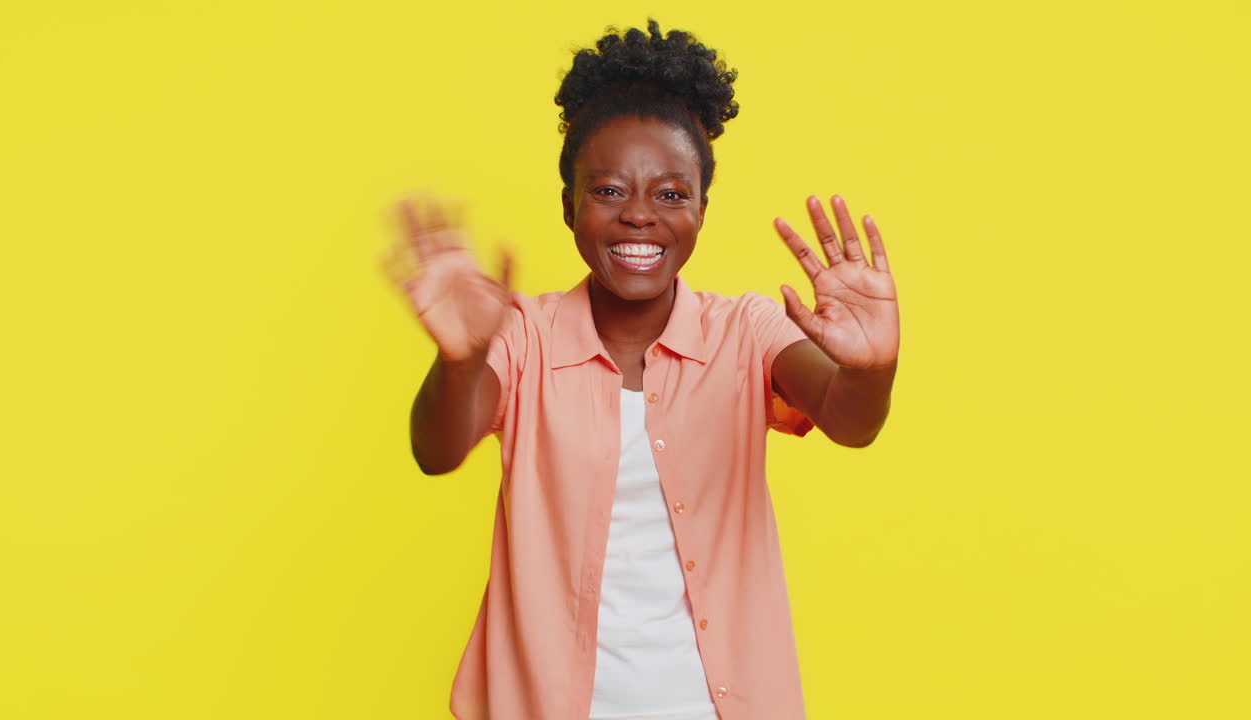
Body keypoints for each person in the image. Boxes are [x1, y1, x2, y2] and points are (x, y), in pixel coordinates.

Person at [380, 19, 899, 720]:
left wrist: (872, 369)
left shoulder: (745, 332)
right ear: (569, 206)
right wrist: (460, 358)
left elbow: (850, 420)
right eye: (609, 191)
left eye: (671, 194)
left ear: (702, 211)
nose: (640, 217)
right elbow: (436, 451)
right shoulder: (523, 336)